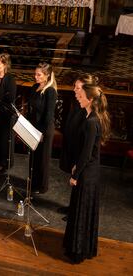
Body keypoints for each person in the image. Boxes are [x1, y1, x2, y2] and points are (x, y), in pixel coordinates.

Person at [63, 84, 110, 264]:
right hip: (89, 170)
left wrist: (75, 175)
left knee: (81, 211)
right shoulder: (92, 117)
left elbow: (87, 153)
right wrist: (77, 165)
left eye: (81, 95)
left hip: (87, 174)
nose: (78, 98)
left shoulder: (91, 122)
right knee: (82, 210)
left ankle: (77, 252)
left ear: (90, 99)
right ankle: (81, 248)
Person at [58, 74, 98, 216]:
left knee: (77, 179)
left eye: (78, 88)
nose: (75, 90)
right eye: (74, 87)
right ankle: (72, 207)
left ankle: (74, 211)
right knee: (75, 180)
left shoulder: (86, 108)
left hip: (80, 150)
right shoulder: (77, 101)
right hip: (72, 147)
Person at [28, 62, 57, 194]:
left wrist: (42, 133)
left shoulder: (50, 91)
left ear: (47, 76)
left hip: (44, 129)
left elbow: (49, 115)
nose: (36, 77)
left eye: (39, 74)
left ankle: (41, 186)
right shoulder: (35, 87)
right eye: (35, 74)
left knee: (42, 159)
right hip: (34, 127)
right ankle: (33, 182)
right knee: (34, 156)